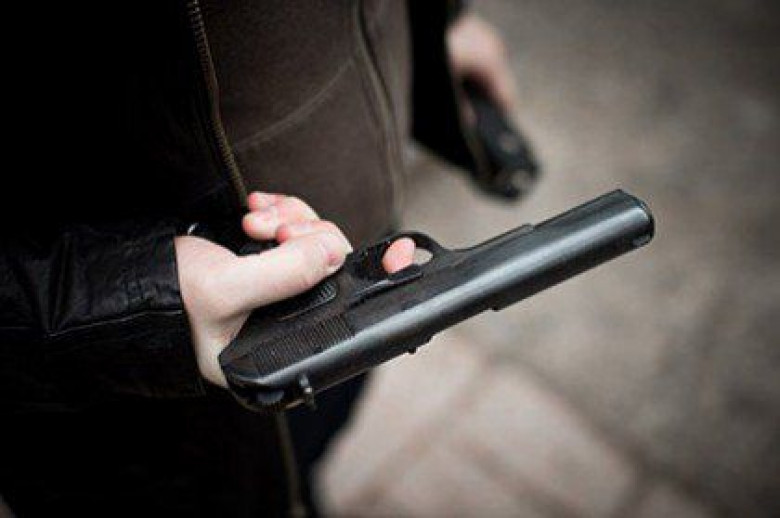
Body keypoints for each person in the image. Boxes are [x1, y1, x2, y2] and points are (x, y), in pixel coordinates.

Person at [0, 1, 518, 516]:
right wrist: (149, 302)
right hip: (145, 412)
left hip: (347, 304)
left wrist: (435, 24)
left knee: (309, 459)